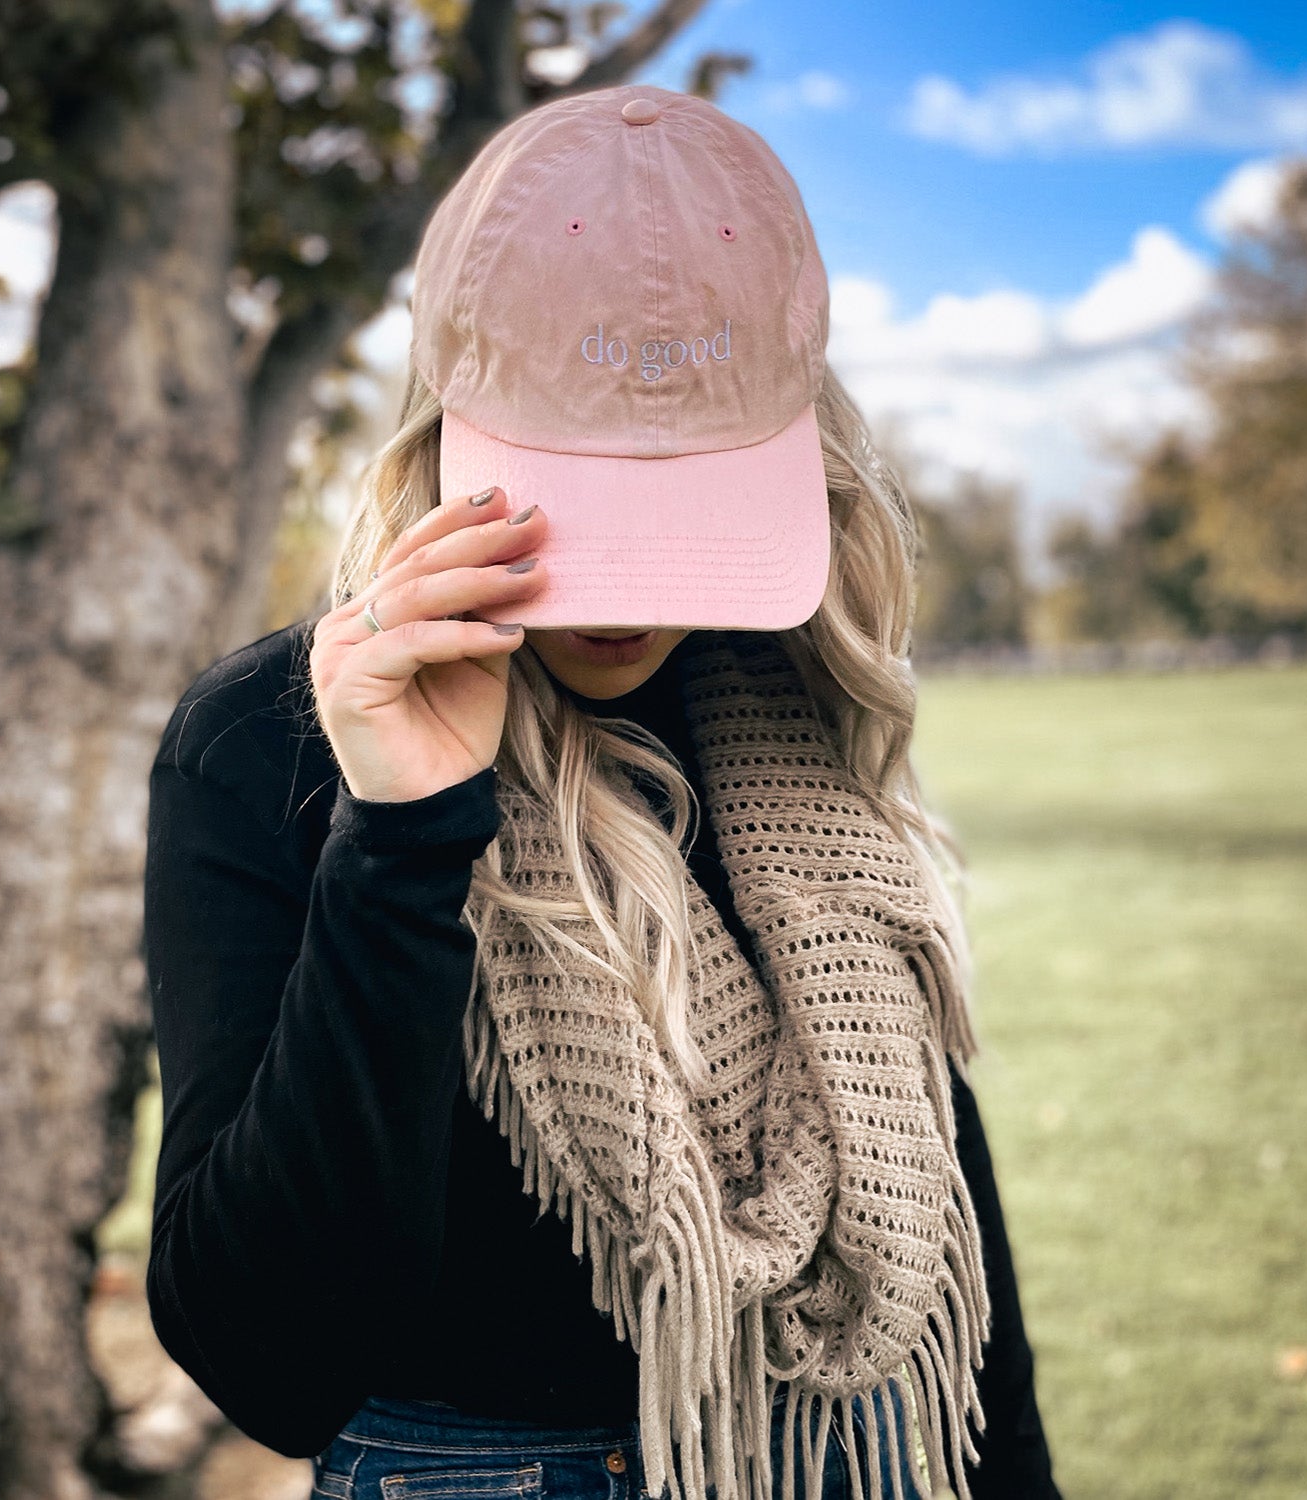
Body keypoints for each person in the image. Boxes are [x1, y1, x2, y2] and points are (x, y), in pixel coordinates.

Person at [142, 84, 1060, 1500]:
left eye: (687, 515)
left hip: (874, 1455)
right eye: (579, 509)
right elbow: (272, 1363)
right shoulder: (265, 744)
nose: (634, 599)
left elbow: (938, 1200)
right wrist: (396, 840)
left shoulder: (790, 709)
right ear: (442, 430)